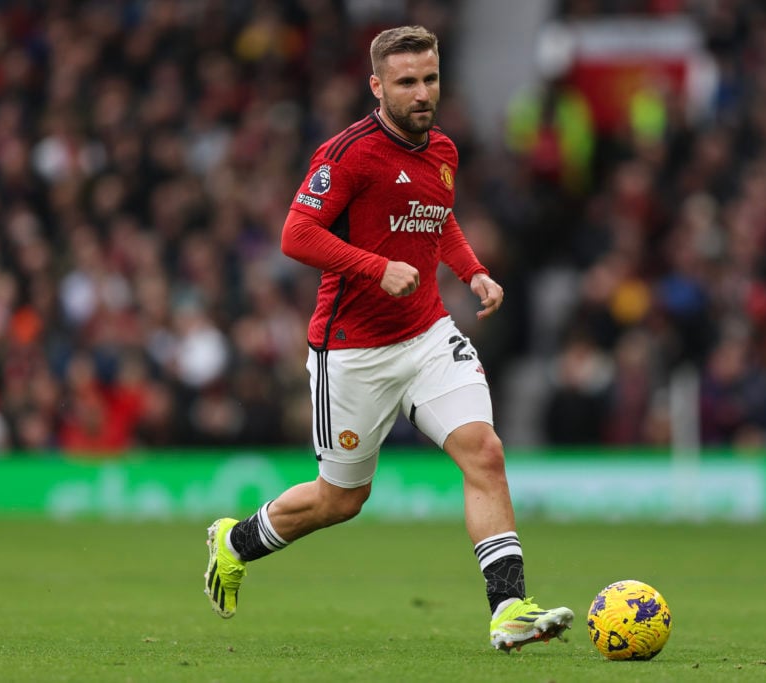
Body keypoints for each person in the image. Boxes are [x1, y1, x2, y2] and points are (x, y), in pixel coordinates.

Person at [202, 25, 573, 652]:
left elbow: (439, 215)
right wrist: (374, 266)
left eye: (429, 78)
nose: (422, 92)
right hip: (352, 350)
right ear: (377, 86)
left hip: (427, 334)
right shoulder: (348, 154)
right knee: (341, 500)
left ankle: (508, 608)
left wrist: (472, 270)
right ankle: (233, 543)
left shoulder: (445, 151)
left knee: (484, 451)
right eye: (407, 82)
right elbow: (296, 234)